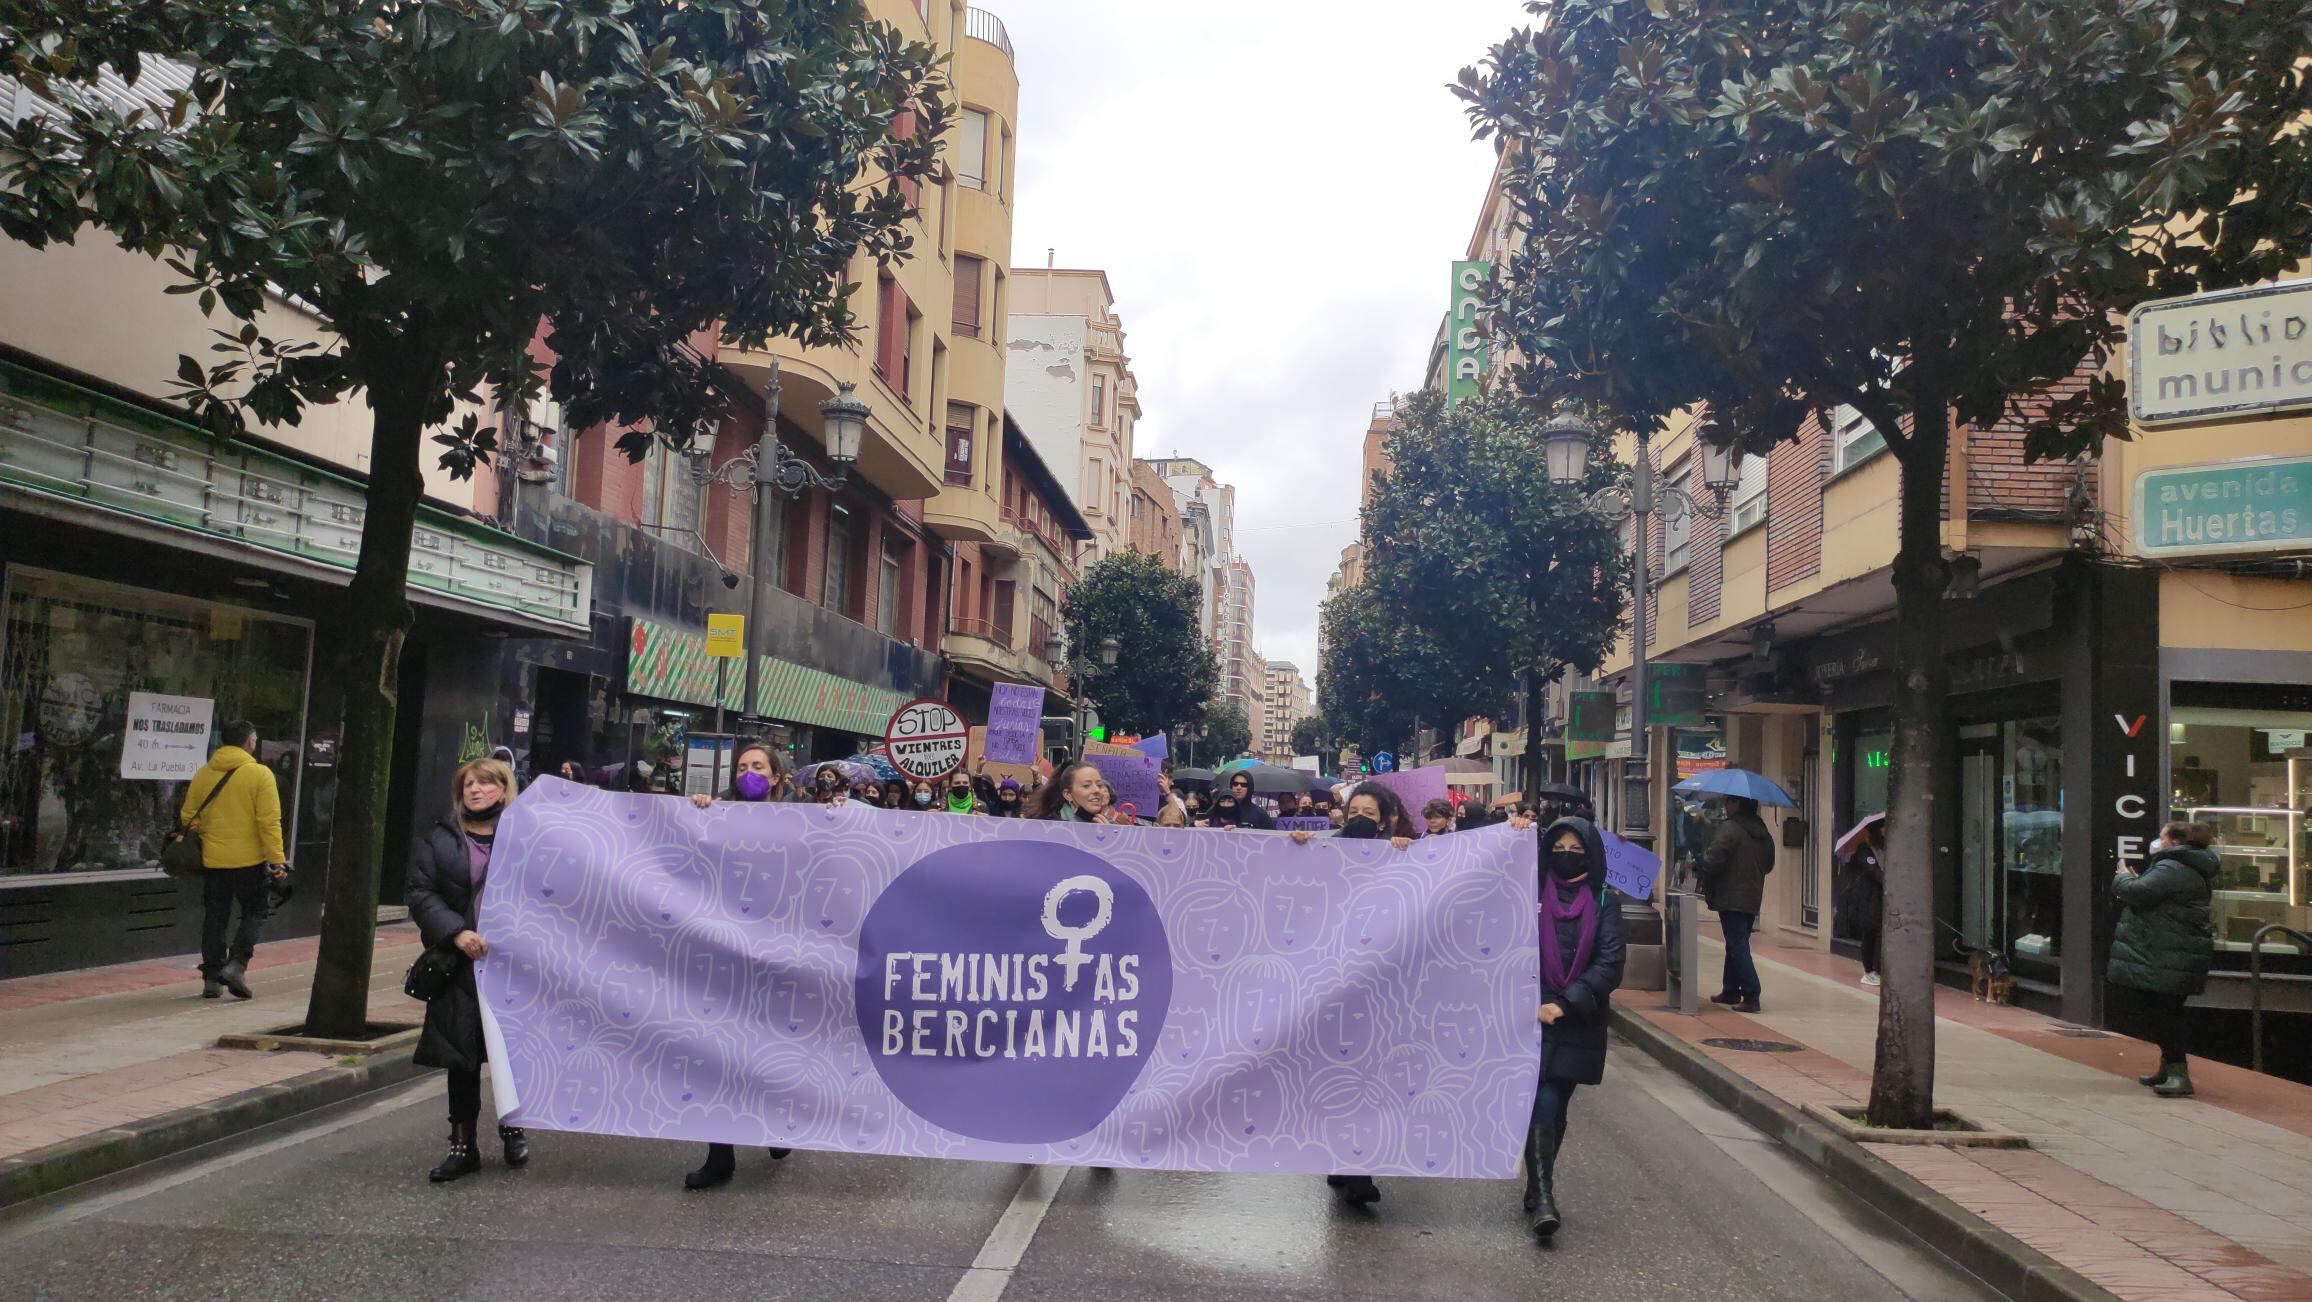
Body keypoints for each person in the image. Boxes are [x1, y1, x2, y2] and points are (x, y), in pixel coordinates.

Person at [1285, 782, 1414, 1205]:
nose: (1359, 817)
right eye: (1353, 809)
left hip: (1377, 985)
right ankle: (1342, 1158)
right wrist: (1298, 845)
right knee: (1337, 1074)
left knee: (1368, 1076)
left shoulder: (1399, 852)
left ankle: (1358, 1165)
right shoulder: (1325, 849)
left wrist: (1404, 850)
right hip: (1332, 981)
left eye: (1369, 813)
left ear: (1385, 820)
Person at [680, 741, 799, 1188]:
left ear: (775, 776)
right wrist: (698, 814)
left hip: (778, 952)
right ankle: (719, 1153)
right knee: (720, 1051)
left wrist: (840, 812)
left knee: (770, 1046)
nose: (749, 773)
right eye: (743, 766)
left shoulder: (801, 818)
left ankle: (777, 1122)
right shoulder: (717, 815)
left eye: (758, 766)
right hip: (726, 952)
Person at [406, 756, 529, 1182]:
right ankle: (463, 1146)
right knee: (461, 1055)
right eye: (467, 784)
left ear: (503, 788)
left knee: (509, 1053)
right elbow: (420, 893)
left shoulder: (526, 835)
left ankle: (513, 1125)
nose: (475, 790)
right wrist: (457, 933)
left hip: (511, 965)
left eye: (484, 783)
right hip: (459, 964)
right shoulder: (440, 838)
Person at [1525, 815, 1625, 1239]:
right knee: (1543, 1101)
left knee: (1556, 1104)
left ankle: (1536, 1181)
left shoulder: (1605, 902)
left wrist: (1565, 1003)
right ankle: (1544, 1196)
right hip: (1529, 1018)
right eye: (1558, 849)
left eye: (1576, 850)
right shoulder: (1527, 894)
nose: (1566, 856)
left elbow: (1610, 964)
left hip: (1576, 1020)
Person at [180, 721, 288, 1000]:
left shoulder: (203, 774)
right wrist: (277, 860)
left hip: (213, 860)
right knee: (256, 910)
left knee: (215, 915)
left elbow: (188, 817)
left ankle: (211, 977)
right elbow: (269, 822)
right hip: (250, 861)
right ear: (250, 742)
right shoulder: (260, 775)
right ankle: (237, 965)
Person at [2110, 821, 2219, 1098]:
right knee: (2162, 1012)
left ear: (2173, 841)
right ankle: (2169, 1068)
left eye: (2161, 837)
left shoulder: (2172, 867)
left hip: (2167, 952)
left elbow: (2140, 893)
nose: (2156, 842)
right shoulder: (2184, 866)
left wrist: (2123, 877)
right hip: (2171, 951)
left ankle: (2178, 1074)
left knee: (2163, 1014)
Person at [1700, 796, 1776, 1013]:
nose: (1726, 806)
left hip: (1731, 895)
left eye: (1729, 802)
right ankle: (1731, 989)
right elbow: (1769, 864)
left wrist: (1704, 864)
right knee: (1735, 941)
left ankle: (1751, 993)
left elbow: (1714, 858)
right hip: (1751, 896)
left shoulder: (1730, 829)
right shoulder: (1764, 833)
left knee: (1737, 944)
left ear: (1738, 804)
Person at [1839, 821, 1887, 988]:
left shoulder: (1883, 849)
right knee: (1870, 933)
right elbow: (1875, 872)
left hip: (1881, 898)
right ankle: (1869, 971)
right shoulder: (1864, 851)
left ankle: (1879, 968)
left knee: (1879, 933)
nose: (1884, 834)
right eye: (1882, 830)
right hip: (1867, 899)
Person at [1028, 760, 1117, 822]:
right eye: (1086, 786)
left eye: (1099, 785)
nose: (1097, 790)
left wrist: (1106, 838)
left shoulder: (1113, 828)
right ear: (1067, 794)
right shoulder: (1046, 827)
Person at [1210, 771, 1275, 830]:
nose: (1238, 787)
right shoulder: (1216, 809)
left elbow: (1272, 838)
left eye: (1244, 785)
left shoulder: (1260, 815)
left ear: (1249, 788)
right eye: (1235, 784)